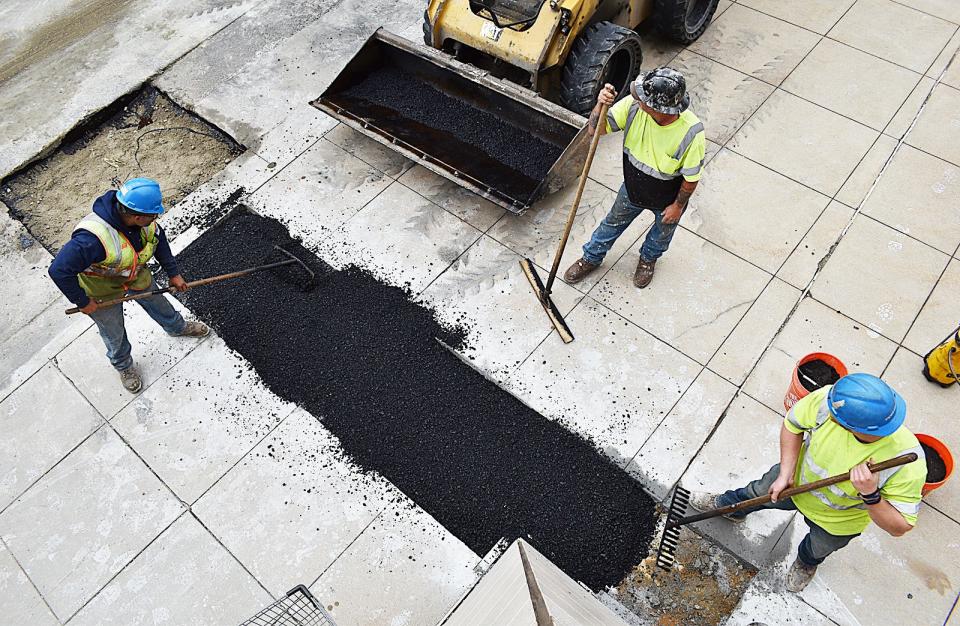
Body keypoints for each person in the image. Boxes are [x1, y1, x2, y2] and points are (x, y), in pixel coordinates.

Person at [690, 374, 926, 592]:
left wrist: (871, 494)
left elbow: (899, 527)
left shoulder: (906, 463)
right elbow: (793, 425)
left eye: (837, 418)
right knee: (755, 492)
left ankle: (806, 562)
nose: (830, 413)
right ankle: (729, 507)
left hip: (837, 520)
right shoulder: (832, 400)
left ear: (854, 427)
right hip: (794, 483)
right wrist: (785, 473)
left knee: (818, 547)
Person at [49, 178, 208, 393]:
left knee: (159, 303)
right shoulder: (91, 239)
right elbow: (58, 270)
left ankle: (177, 327)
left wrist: (174, 273)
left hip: (135, 275)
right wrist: (83, 301)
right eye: (153, 215)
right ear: (136, 216)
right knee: (113, 332)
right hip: (101, 290)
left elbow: (158, 241)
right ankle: (124, 366)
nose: (156, 218)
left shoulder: (145, 222)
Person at [564, 67, 705, 288]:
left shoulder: (691, 132)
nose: (638, 99)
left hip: (668, 199)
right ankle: (590, 258)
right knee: (611, 224)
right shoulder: (633, 106)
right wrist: (600, 105)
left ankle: (648, 260)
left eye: (644, 99)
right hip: (632, 189)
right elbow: (595, 129)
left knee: (661, 235)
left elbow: (691, 178)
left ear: (660, 108)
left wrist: (678, 206)